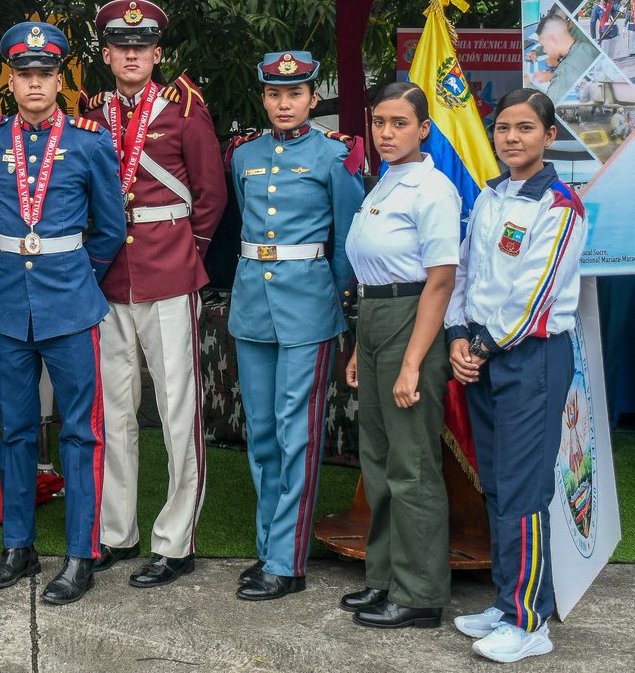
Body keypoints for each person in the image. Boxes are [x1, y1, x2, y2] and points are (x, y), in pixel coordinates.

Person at [0, 21, 125, 605]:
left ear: (60, 80)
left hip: (70, 305)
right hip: (11, 306)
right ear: (11, 83)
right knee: (14, 431)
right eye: (24, 74)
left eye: (45, 73)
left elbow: (109, 228)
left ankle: (81, 554)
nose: (35, 83)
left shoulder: (89, 141)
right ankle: (18, 547)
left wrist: (78, 276)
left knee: (80, 433)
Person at [81, 0, 226, 587]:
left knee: (176, 410)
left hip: (169, 273)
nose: (131, 54)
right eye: (121, 46)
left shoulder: (185, 110)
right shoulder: (91, 113)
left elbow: (211, 195)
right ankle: (118, 532)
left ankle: (175, 541)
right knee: (112, 410)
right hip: (109, 277)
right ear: (107, 55)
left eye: (141, 46)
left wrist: (186, 254)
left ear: (157, 53)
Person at [445, 88, 586, 664]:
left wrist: (479, 345)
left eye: (525, 128)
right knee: (500, 484)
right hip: (483, 353)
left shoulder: (560, 205)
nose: (511, 138)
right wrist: (458, 335)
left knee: (524, 489)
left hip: (532, 358)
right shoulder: (490, 195)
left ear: (548, 136)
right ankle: (508, 603)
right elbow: (466, 272)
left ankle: (529, 622)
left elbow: (535, 295)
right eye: (503, 127)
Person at [226, 50, 363, 601]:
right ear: (264, 97)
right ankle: (268, 550)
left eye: (295, 93)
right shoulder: (244, 155)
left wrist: (341, 307)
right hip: (252, 305)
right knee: (260, 431)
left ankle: (287, 561)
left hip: (308, 305)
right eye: (275, 94)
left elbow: (347, 241)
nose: (284, 103)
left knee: (295, 434)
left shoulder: (335, 155)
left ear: (312, 97)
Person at [341, 82, 460, 629]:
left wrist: (412, 362)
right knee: (380, 458)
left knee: (411, 463)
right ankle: (385, 577)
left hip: (412, 317)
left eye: (399, 123)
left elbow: (441, 280)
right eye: (379, 122)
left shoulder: (432, 189)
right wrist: (359, 348)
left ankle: (419, 594)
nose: (386, 133)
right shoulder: (387, 180)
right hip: (375, 317)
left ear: (423, 128)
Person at [531, 13, 597, 103]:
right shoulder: (587, 47)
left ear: (553, 40)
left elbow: (548, 104)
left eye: (544, 45)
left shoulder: (567, 69)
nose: (545, 50)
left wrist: (528, 84)